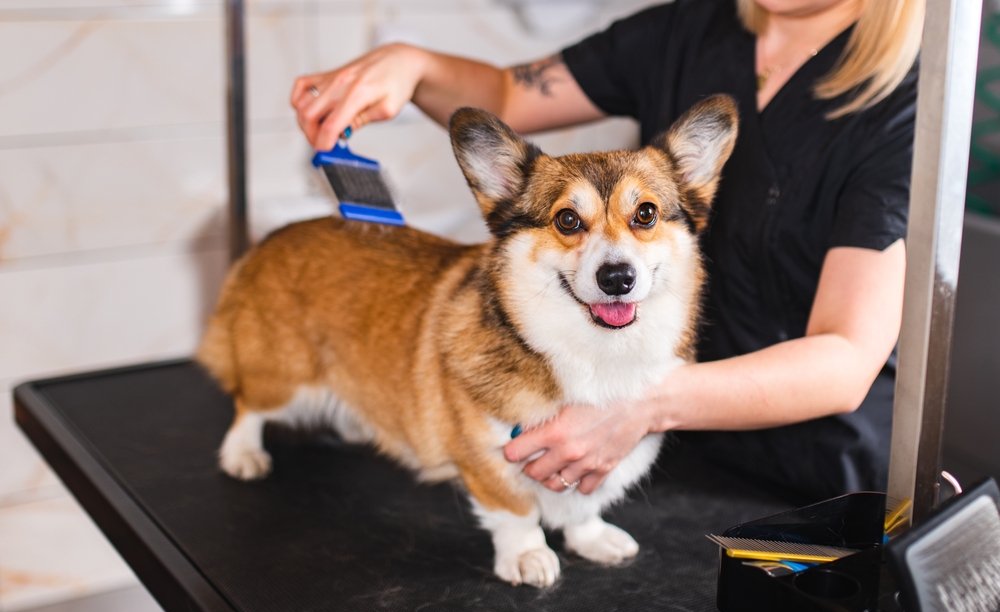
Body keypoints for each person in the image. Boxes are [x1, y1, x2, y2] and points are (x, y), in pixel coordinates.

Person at [290, 0, 923, 504]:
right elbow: (510, 97)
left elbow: (846, 357)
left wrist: (644, 405)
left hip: (818, 478)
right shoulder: (692, 26)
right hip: (660, 451)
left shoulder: (906, 104)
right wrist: (411, 63)